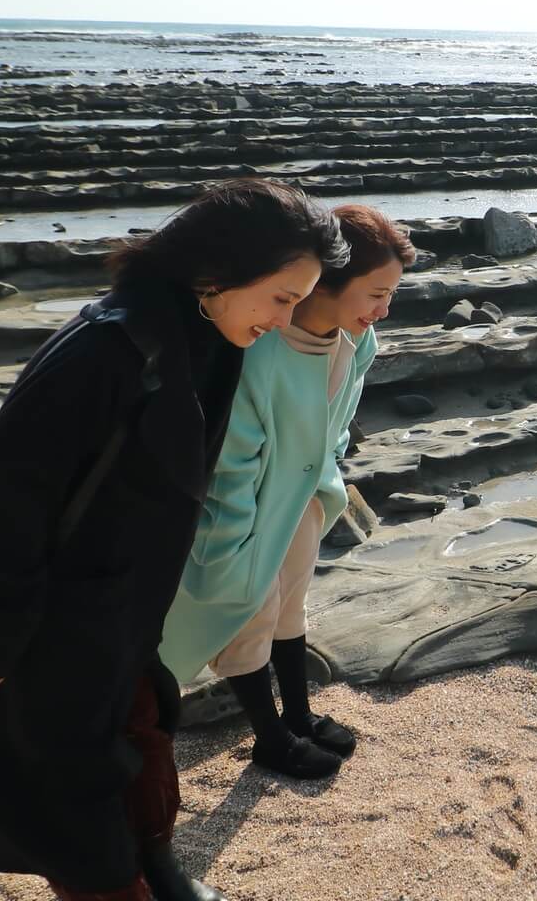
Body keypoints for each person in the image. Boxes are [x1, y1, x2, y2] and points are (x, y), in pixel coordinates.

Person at [0, 179, 349, 901]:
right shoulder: (107, 352)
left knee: (144, 740)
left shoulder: (206, 335)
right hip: (50, 637)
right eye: (281, 297)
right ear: (216, 275)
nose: (288, 317)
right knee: (74, 809)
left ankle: (158, 869)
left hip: (122, 619)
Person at [159, 204, 411, 779]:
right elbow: (232, 466)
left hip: (306, 492)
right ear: (330, 282)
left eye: (390, 294)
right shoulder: (257, 352)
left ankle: (297, 713)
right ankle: (270, 736)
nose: (385, 309)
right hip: (246, 508)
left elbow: (339, 420)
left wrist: (329, 478)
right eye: (376, 292)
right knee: (251, 610)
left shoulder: (354, 339)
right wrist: (231, 546)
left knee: (289, 605)